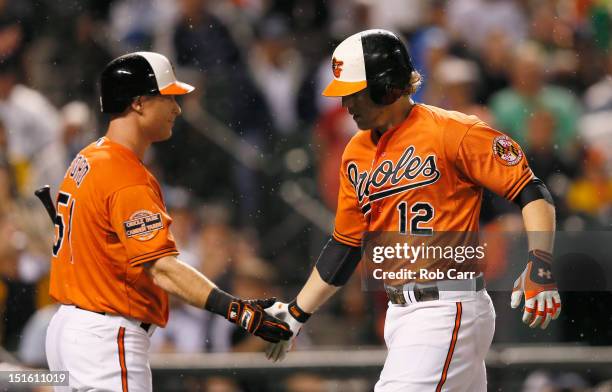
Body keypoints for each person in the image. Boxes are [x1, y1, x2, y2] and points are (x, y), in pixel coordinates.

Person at [265, 30, 562, 391]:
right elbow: (345, 245)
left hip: (446, 307)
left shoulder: (454, 131)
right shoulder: (355, 152)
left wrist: (540, 262)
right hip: (401, 314)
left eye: (354, 92)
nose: (346, 104)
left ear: (387, 85)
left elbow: (532, 192)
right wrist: (296, 313)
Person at [44, 52, 292, 392]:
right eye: (169, 98)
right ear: (140, 103)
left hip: (73, 330)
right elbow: (161, 268)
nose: (177, 109)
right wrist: (239, 311)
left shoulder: (88, 157)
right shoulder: (126, 175)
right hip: (105, 336)